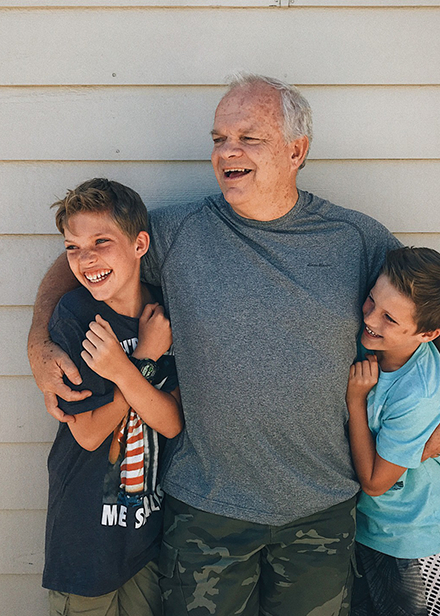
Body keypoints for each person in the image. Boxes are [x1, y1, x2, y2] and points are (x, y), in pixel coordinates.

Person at [27, 75, 440, 615]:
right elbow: (83, 254)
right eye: (219, 138)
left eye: (249, 137)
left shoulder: (357, 239)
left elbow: (425, 314)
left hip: (320, 511)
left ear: (297, 151)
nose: (228, 151)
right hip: (206, 511)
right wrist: (39, 342)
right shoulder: (178, 232)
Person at [42, 178, 182, 616]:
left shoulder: (161, 316)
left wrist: (126, 367)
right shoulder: (76, 316)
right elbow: (88, 433)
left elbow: (172, 421)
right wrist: (139, 362)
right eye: (73, 247)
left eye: (102, 242)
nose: (86, 260)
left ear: (140, 244)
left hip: (145, 533)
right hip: (84, 538)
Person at [346, 247, 440, 616]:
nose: (370, 318)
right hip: (367, 528)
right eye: (371, 300)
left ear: (427, 334)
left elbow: (375, 481)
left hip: (410, 541)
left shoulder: (420, 391)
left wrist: (356, 401)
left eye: (390, 318)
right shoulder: (365, 342)